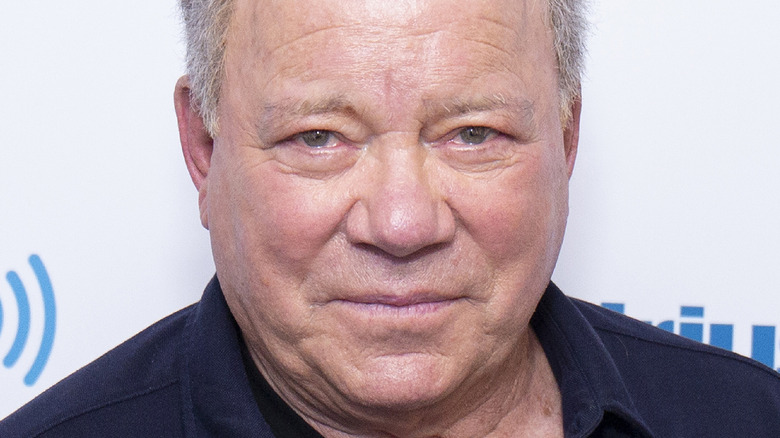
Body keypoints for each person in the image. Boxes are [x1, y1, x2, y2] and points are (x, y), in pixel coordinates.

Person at [2, 0, 779, 436]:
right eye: (319, 138)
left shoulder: (750, 420)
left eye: (474, 133)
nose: (403, 224)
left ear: (566, 140)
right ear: (203, 149)